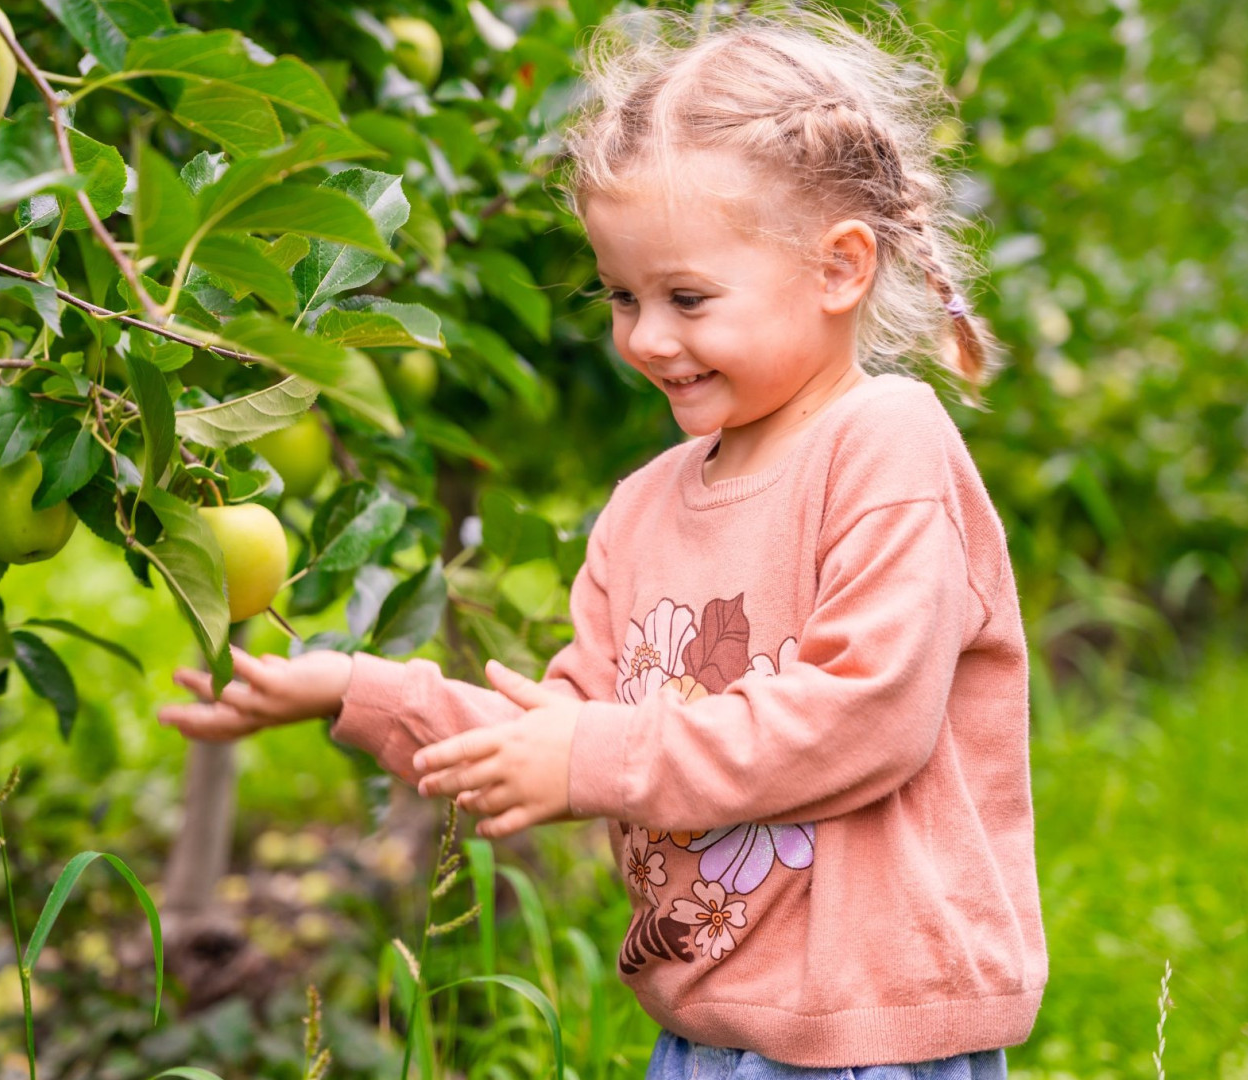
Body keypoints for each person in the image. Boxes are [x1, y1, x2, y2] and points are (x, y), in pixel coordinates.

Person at [159, 5, 1045, 1075]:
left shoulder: (885, 444)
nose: (648, 338)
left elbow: (867, 714)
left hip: (868, 1028)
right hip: (704, 1032)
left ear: (839, 268)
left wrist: (592, 755)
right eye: (623, 296)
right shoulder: (643, 508)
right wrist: (361, 691)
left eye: (687, 297)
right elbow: (568, 731)